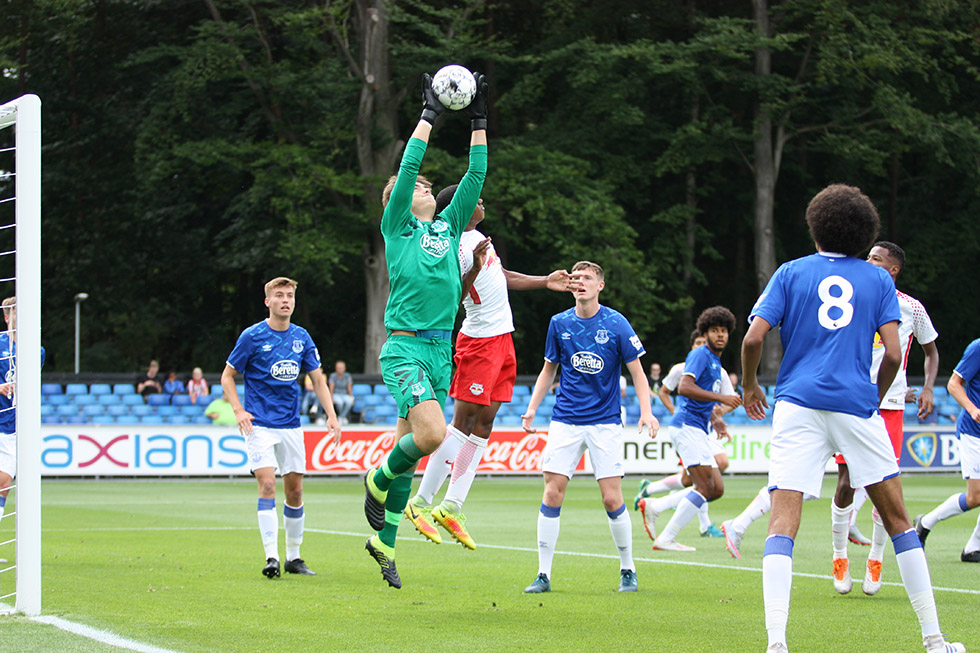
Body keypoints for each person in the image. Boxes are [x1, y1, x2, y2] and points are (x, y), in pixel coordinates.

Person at [741, 183, 963, 653]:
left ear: (815, 224)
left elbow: (752, 340)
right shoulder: (879, 279)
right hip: (854, 404)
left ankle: (776, 644)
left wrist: (749, 385)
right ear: (865, 234)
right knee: (899, 519)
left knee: (782, 525)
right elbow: (894, 353)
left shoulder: (790, 271)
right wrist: (872, 397)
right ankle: (935, 640)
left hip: (797, 404)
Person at [361, 70, 488, 589]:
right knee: (431, 435)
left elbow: (476, 177)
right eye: (419, 185)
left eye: (432, 186)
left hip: (441, 352)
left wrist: (479, 117)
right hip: (405, 348)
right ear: (399, 198)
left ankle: (383, 542)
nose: (427, 186)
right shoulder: (398, 226)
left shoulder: (448, 226)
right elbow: (411, 162)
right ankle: (377, 476)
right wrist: (430, 113)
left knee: (414, 445)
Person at [403, 189, 573, 549]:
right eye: (477, 200)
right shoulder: (450, 244)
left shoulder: (478, 238)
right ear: (460, 206)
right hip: (478, 342)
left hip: (502, 340)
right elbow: (451, 297)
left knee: (484, 425)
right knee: (462, 424)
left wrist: (545, 281)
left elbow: (502, 274)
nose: (483, 203)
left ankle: (452, 505)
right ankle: (420, 502)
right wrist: (476, 267)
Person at [520, 260, 658, 594]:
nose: (580, 282)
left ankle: (628, 569)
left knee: (612, 498)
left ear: (600, 286)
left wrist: (646, 411)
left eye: (587, 278)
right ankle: (543, 574)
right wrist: (531, 409)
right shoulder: (559, 323)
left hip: (605, 422)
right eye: (575, 278)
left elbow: (637, 372)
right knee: (552, 491)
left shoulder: (616, 323)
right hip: (565, 420)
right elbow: (548, 370)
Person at [830, 241, 940, 594]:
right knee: (846, 481)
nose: (868, 262)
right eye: (867, 257)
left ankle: (876, 559)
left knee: (884, 486)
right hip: (852, 399)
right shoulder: (852, 298)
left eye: (875, 259)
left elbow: (931, 351)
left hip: (890, 404)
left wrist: (927, 388)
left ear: (893, 269)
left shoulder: (911, 308)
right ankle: (839, 555)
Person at [221, 277, 341, 579]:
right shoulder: (252, 336)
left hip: (290, 425)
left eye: (289, 296)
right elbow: (227, 376)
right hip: (259, 424)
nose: (285, 300)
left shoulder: (301, 337)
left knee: (295, 490)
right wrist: (238, 410)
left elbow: (317, 379)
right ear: (268, 302)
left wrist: (331, 414)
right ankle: (271, 557)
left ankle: (293, 557)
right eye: (279, 295)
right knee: (268, 485)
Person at [641, 307, 741, 551]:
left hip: (698, 428)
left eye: (724, 331)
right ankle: (666, 538)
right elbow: (684, 388)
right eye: (715, 330)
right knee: (703, 487)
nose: (720, 335)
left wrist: (716, 418)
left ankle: (657, 506)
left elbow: (703, 399)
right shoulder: (700, 355)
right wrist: (722, 398)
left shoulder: (716, 362)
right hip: (686, 426)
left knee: (715, 489)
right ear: (705, 333)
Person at [914, 337, 980, 564]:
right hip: (974, 431)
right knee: (975, 497)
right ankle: (925, 523)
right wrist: (973, 410)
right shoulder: (978, 347)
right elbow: (953, 383)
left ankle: (973, 548)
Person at [0, 297, 45, 526]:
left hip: (13, 426)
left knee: (4, 486)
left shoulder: (37, 351)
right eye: (16, 313)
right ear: (7, 317)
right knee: (3, 481)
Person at [328, 360, 354, 425]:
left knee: (349, 401)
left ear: (344, 368)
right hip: (336, 394)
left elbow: (349, 388)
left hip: (344, 394)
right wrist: (331, 398)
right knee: (340, 403)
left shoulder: (347, 376)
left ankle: (342, 416)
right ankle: (342, 417)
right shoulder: (333, 376)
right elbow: (331, 388)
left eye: (341, 368)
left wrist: (352, 397)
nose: (340, 369)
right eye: (338, 368)